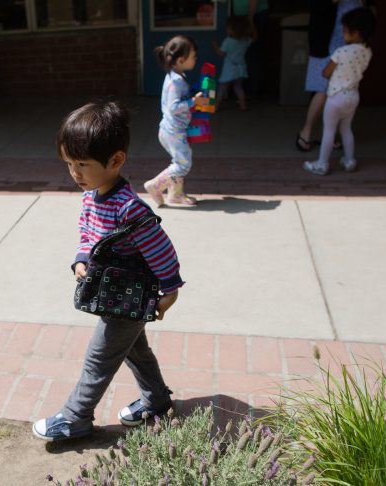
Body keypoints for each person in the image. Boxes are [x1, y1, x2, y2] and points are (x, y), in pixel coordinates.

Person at [32, 100, 184, 441]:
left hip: (130, 297)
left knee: (99, 356)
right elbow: (87, 232)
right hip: (115, 296)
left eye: (82, 164)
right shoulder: (92, 196)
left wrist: (170, 291)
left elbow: (161, 251)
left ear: (115, 160)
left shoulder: (130, 209)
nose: (74, 173)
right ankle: (157, 400)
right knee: (135, 349)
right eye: (69, 163)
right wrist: (81, 258)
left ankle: (77, 417)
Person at [303, 7, 375, 175]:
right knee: (346, 129)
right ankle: (350, 160)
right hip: (353, 97)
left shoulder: (340, 52)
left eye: (345, 30)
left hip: (336, 98)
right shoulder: (367, 52)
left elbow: (326, 73)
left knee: (329, 130)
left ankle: (322, 164)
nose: (343, 33)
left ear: (355, 32)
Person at [144, 35, 209, 207]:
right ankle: (155, 185)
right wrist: (193, 102)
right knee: (183, 164)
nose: (196, 59)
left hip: (171, 130)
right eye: (193, 56)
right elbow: (173, 107)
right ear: (181, 60)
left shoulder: (176, 77)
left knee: (179, 160)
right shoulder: (176, 81)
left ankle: (175, 194)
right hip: (173, 131)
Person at [211, 16, 253, 111]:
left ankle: (216, 107)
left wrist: (215, 46)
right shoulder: (246, 40)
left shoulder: (228, 42)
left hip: (229, 69)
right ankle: (243, 106)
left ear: (233, 30)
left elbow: (221, 53)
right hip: (240, 69)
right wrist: (253, 27)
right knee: (238, 87)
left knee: (222, 88)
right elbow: (254, 39)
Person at [232, 0, 269, 100]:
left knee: (251, 54)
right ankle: (243, 92)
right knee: (245, 54)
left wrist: (250, 19)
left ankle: (250, 93)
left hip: (253, 15)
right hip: (241, 15)